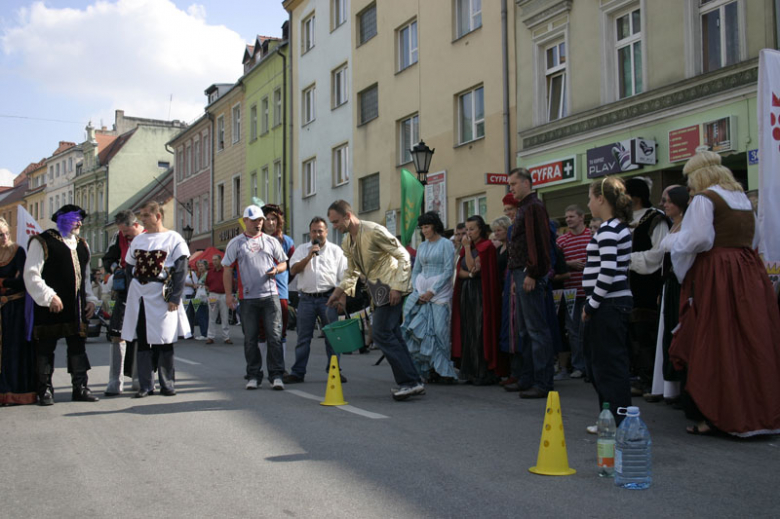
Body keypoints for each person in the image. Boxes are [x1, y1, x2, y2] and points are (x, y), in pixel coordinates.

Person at [666, 151, 780, 437]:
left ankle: (721, 414)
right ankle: (762, 412)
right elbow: (755, 240)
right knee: (752, 340)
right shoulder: (742, 200)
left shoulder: (705, 199)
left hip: (718, 273)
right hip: (748, 273)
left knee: (718, 341)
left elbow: (699, 239)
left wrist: (672, 240)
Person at [325, 200, 424, 401]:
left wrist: (397, 287)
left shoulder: (373, 230)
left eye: (336, 221)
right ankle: (413, 381)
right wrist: (339, 291)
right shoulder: (347, 241)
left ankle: (410, 382)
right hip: (377, 291)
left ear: (347, 216)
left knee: (380, 333)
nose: (334, 226)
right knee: (392, 334)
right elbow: (352, 271)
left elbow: (404, 255)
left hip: (390, 288)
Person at [24, 204, 100, 405]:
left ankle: (80, 387)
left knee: (77, 347)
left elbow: (84, 278)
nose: (80, 223)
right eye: (76, 219)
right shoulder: (43, 241)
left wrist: (90, 299)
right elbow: (31, 274)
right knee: (46, 347)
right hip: (50, 306)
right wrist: (49, 296)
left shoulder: (82, 244)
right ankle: (44, 390)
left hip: (76, 307)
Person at [121, 201, 191, 398]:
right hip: (141, 294)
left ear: (157, 216)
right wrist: (131, 292)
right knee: (143, 340)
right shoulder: (138, 240)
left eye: (145, 216)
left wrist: (175, 297)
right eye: (141, 216)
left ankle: (167, 384)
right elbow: (128, 268)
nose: (141, 220)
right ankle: (145, 385)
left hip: (162, 294)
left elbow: (181, 269)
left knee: (164, 340)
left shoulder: (173, 238)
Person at [582, 177, 634, 427]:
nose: (589, 203)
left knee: (608, 365)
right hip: (610, 303)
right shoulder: (615, 227)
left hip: (608, 305)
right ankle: (612, 416)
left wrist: (591, 305)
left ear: (601, 199)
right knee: (604, 363)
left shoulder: (609, 229)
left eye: (590, 198)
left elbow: (608, 270)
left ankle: (617, 418)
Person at [223, 205, 288, 390]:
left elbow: (283, 262)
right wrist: (228, 295)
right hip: (248, 298)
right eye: (254, 220)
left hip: (270, 296)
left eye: (260, 220)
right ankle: (253, 375)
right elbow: (227, 269)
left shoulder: (271, 241)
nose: (259, 223)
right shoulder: (236, 243)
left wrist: (277, 269)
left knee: (274, 336)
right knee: (250, 338)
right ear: (245, 221)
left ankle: (276, 375)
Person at [506, 167, 555, 399]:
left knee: (536, 329)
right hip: (521, 272)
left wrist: (533, 273)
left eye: (514, 184)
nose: (511, 188)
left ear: (526, 183)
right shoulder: (526, 207)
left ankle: (543, 382)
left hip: (529, 272)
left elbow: (539, 242)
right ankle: (527, 377)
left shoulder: (533, 206)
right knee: (524, 329)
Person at [284, 216, 347, 383]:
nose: (317, 233)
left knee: (333, 338)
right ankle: (298, 372)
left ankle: (334, 370)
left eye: (320, 230)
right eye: (314, 231)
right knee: (303, 338)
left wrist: (343, 298)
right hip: (306, 299)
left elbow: (344, 277)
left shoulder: (336, 251)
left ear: (326, 232)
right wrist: (309, 257)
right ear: (310, 233)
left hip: (329, 298)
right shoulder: (302, 249)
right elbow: (293, 270)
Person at [644, 185, 688, 403]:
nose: (663, 204)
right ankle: (668, 388)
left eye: (667, 200)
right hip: (669, 286)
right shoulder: (673, 226)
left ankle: (680, 388)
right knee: (667, 336)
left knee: (678, 333)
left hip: (680, 285)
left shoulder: (688, 226)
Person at [625, 177, 669, 396]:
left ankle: (652, 380)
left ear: (636, 196)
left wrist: (628, 259)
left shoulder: (655, 219)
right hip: (628, 287)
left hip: (648, 286)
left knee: (647, 335)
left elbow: (659, 253)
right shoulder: (623, 220)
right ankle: (640, 376)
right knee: (633, 335)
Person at [401, 212, 457, 382]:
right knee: (422, 331)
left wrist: (432, 290)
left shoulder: (446, 244)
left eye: (427, 226)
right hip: (421, 291)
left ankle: (445, 371)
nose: (424, 230)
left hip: (440, 292)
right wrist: (417, 289)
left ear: (435, 226)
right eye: (422, 227)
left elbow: (448, 270)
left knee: (440, 331)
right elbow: (416, 269)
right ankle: (429, 369)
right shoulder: (423, 246)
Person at [451, 215, 501, 385]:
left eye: (472, 229)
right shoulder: (469, 247)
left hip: (480, 293)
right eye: (466, 229)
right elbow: (461, 272)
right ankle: (470, 370)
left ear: (481, 229)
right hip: (466, 292)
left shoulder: (486, 246)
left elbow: (472, 268)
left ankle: (482, 371)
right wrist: (471, 273)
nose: (469, 232)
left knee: (479, 330)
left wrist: (466, 248)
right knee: (467, 330)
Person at [101, 209, 145, 396]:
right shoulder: (118, 237)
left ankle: (137, 377)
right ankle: (115, 380)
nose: (125, 236)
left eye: (127, 232)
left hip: (145, 288)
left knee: (140, 334)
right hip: (125, 289)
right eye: (122, 232)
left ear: (136, 225)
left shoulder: (149, 236)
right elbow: (108, 258)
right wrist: (115, 268)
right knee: (117, 333)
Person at [0, 218, 35, 405]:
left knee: (14, 350)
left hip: (14, 308)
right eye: (0, 235)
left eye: (6, 233)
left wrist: (4, 282)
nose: (4, 237)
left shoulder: (18, 251)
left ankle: (15, 391)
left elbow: (22, 281)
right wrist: (8, 280)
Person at [555, 205, 591, 380]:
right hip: (570, 292)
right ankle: (578, 365)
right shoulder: (561, 241)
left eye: (571, 216)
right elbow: (554, 263)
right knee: (573, 330)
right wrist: (569, 264)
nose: (568, 219)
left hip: (590, 291)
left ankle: (591, 366)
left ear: (581, 217)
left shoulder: (592, 237)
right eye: (566, 217)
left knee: (589, 330)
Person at [260, 204, 295, 364]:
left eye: (273, 219)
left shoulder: (286, 241)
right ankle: (260, 366)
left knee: (280, 332)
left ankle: (280, 366)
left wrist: (284, 282)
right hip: (258, 292)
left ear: (278, 221)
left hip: (280, 293)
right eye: (267, 219)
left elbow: (292, 266)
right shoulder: (254, 240)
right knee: (261, 332)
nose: (270, 222)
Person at [205, 253, 231, 344]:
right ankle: (210, 336)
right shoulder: (210, 272)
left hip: (224, 295)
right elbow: (207, 283)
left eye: (216, 260)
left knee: (225, 316)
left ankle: (226, 337)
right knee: (212, 316)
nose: (214, 262)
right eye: (213, 260)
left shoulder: (225, 271)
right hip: (213, 295)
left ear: (220, 260)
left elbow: (231, 283)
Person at [193, 259, 209, 340]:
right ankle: (205, 333)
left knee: (202, 315)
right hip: (199, 296)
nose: (200, 267)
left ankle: (204, 334)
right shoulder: (200, 274)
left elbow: (208, 285)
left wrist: (200, 285)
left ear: (206, 266)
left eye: (202, 266)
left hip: (204, 297)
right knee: (201, 315)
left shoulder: (207, 274)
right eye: (199, 266)